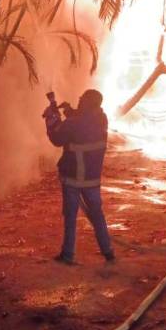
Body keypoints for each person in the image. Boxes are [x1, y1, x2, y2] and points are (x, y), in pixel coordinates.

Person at [45, 88, 114, 264]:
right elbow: (83, 122)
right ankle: (108, 251)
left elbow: (57, 138)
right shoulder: (101, 119)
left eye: (82, 99)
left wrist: (51, 119)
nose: (79, 100)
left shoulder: (73, 124)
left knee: (70, 217)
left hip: (73, 178)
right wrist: (69, 111)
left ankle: (68, 254)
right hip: (92, 179)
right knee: (97, 215)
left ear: (86, 103)